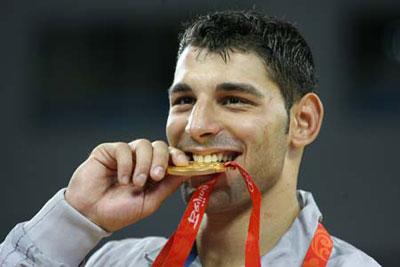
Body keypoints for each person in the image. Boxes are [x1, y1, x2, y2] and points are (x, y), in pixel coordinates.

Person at [0, 10, 380, 267]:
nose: (196, 126)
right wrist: (77, 219)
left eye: (233, 100)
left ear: (303, 121)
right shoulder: (116, 262)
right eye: (183, 100)